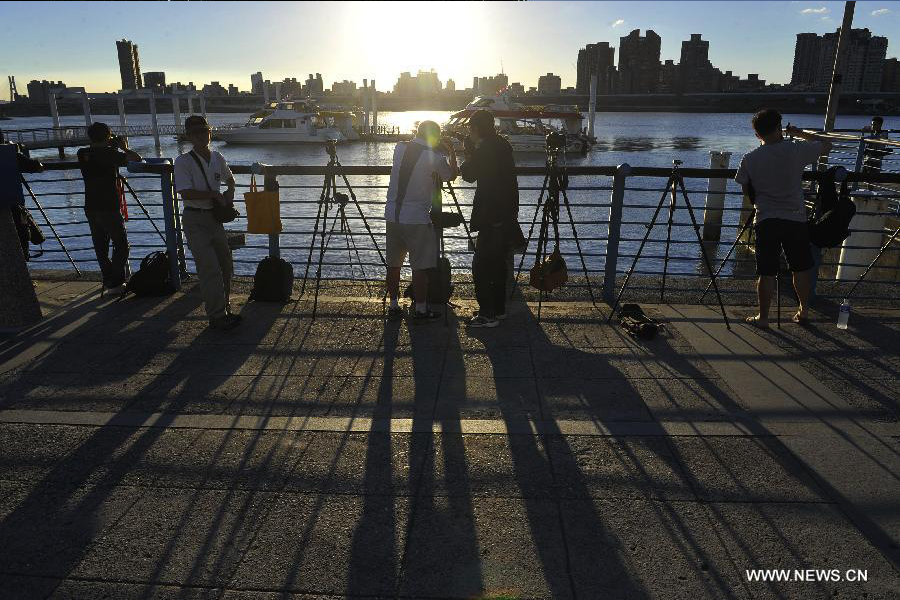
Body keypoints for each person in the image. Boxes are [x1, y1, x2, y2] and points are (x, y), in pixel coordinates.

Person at [735, 109, 832, 328]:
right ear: (779, 128)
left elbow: (746, 190)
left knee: (766, 272)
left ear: (757, 134)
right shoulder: (796, 149)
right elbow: (827, 144)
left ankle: (763, 317)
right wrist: (799, 133)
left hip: (766, 218)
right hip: (795, 219)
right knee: (800, 268)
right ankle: (803, 311)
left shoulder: (749, 158)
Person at [383, 120, 458, 322]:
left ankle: (393, 305)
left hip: (392, 214)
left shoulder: (399, 148)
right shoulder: (435, 157)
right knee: (419, 266)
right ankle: (422, 310)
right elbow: (451, 175)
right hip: (416, 217)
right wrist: (451, 151)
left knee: (393, 264)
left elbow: (413, 154)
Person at [173, 115, 240, 331]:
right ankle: (217, 315)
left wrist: (230, 191)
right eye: (196, 133)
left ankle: (225, 308)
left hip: (214, 218)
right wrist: (213, 194)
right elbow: (185, 192)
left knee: (225, 265)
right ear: (189, 136)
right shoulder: (183, 161)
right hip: (195, 218)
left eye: (204, 131)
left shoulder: (217, 157)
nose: (201, 135)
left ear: (209, 132)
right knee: (209, 268)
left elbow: (230, 178)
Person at [459, 109, 519, 328]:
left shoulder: (485, 149)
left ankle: (487, 314)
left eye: (470, 128)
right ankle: (499, 309)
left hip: (491, 213)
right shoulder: (503, 144)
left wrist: (469, 152)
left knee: (481, 266)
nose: (469, 132)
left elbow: (468, 175)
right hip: (506, 212)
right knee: (499, 264)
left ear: (476, 128)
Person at [76, 122, 142, 293]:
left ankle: (109, 280)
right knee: (121, 245)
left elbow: (97, 154)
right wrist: (124, 148)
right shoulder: (110, 154)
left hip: (90, 206)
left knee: (101, 247)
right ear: (107, 136)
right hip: (109, 207)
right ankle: (115, 282)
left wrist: (111, 145)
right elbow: (136, 158)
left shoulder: (82, 153)